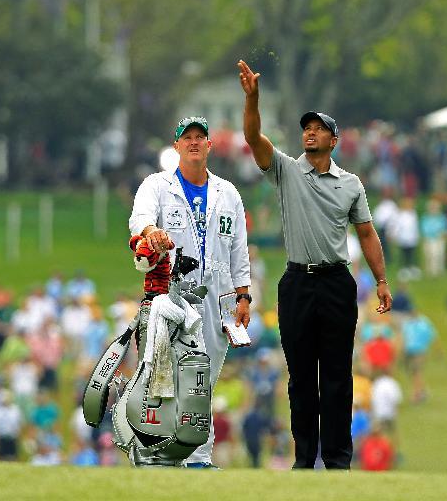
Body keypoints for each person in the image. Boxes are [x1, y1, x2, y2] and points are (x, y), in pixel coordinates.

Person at [238, 59, 391, 470]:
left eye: (319, 128)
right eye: (307, 127)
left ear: (334, 140)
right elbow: (252, 137)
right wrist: (253, 99)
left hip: (336, 283)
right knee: (302, 378)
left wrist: (381, 280)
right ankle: (305, 460)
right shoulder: (287, 171)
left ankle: (338, 460)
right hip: (297, 282)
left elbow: (366, 234)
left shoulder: (351, 184)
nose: (310, 131)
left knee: (338, 377)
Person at [129, 114, 252, 469]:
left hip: (216, 296)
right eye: (188, 138)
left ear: (210, 145)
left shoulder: (228, 193)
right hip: (171, 293)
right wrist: (152, 231)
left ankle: (198, 460)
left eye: (201, 137)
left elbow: (239, 251)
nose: (195, 142)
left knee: (204, 380)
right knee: (162, 378)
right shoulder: (157, 185)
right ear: (177, 145)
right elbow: (140, 218)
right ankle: (154, 454)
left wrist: (243, 295)